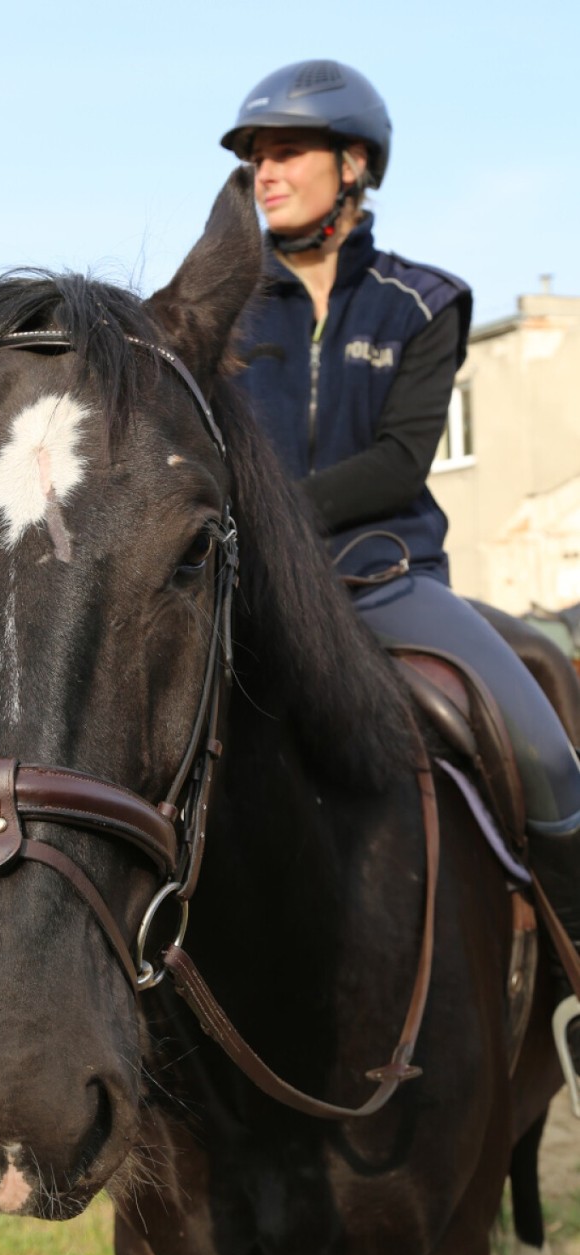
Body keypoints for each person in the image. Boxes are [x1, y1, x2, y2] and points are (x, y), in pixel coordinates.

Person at [220, 58, 580, 1085]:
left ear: (354, 163)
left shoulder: (425, 300)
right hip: (253, 592)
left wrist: (277, 515)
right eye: (255, 154)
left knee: (550, 757)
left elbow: (395, 465)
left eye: (286, 149)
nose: (265, 170)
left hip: (391, 581)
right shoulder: (223, 307)